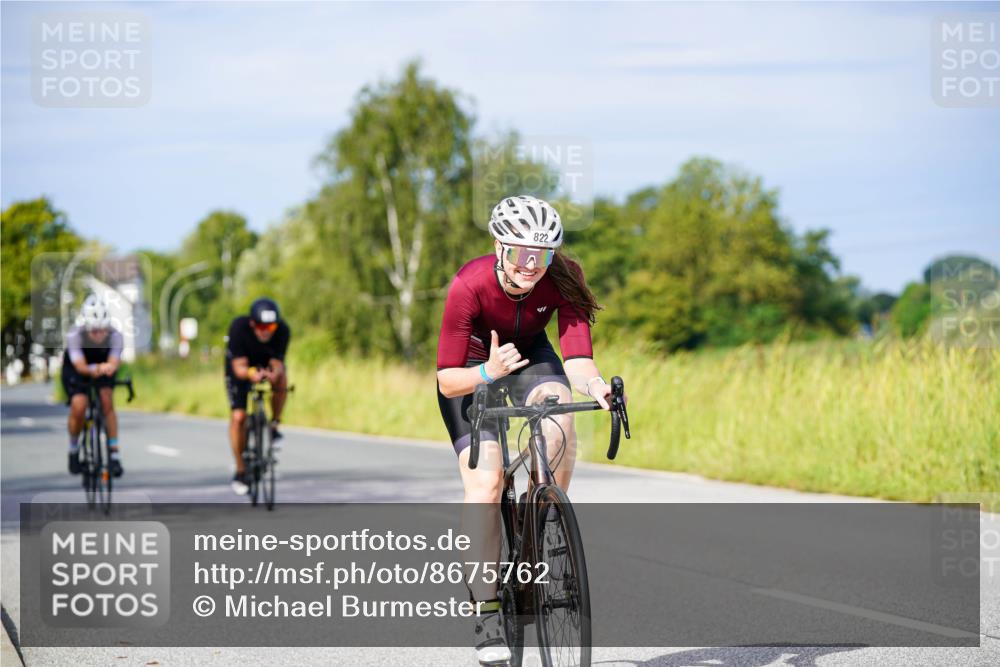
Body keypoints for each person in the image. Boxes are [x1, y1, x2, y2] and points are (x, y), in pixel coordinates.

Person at [436, 195, 615, 665]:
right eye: (519, 253)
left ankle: (546, 522)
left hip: (532, 357)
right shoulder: (468, 285)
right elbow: (446, 380)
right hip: (475, 368)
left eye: (542, 255)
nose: (531, 266)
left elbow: (576, 355)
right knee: (488, 479)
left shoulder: (562, 276)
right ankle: (488, 609)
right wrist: (488, 373)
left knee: (559, 420)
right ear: (498, 245)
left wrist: (596, 385)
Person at [224, 297, 291, 495]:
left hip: (264, 364)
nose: (265, 331)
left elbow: (278, 363)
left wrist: (274, 374)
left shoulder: (283, 331)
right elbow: (238, 368)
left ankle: (274, 425)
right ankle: (241, 470)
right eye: (261, 326)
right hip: (241, 368)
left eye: (270, 327)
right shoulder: (238, 328)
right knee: (239, 417)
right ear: (253, 323)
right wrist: (251, 373)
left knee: (282, 380)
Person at [63, 294, 125, 477]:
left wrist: (108, 367)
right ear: (85, 327)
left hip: (103, 367)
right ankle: (73, 450)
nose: (99, 334)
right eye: (94, 331)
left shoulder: (116, 335)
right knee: (79, 405)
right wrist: (96, 368)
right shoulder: (75, 335)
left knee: (107, 400)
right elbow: (80, 366)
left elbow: (114, 363)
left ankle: (114, 455)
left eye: (102, 330)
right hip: (77, 369)